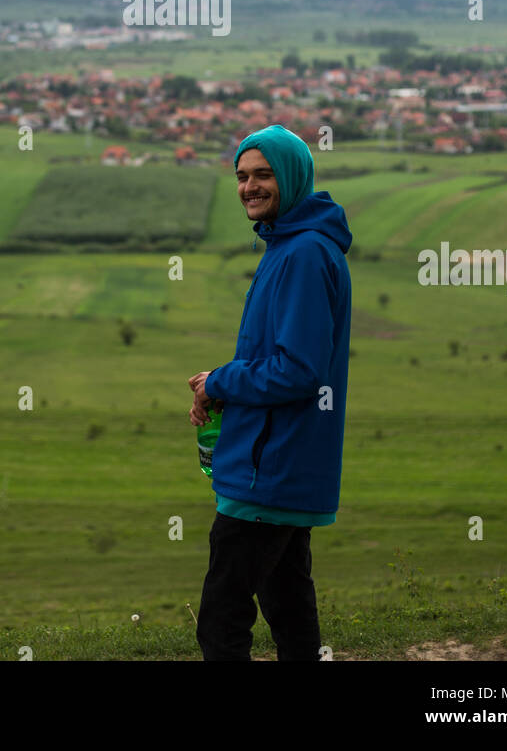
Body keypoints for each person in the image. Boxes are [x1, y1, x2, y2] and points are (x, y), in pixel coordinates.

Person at [188, 123, 352, 661]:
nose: (249, 186)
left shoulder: (303, 253)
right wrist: (223, 384)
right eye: (241, 175)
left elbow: (298, 370)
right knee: (288, 603)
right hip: (282, 459)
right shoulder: (293, 244)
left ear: (293, 178)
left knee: (222, 618)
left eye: (263, 175)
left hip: (269, 468)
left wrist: (221, 380)